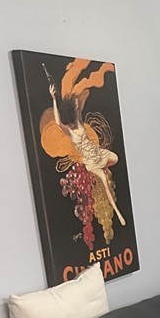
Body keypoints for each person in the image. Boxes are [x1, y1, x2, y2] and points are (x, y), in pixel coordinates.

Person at [46, 66, 126, 227]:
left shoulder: (79, 122)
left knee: (115, 158)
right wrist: (54, 98)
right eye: (74, 107)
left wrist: (75, 100)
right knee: (105, 182)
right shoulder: (68, 131)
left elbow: (78, 106)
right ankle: (118, 213)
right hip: (90, 161)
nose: (77, 108)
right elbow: (57, 121)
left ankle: (103, 169)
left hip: (98, 152)